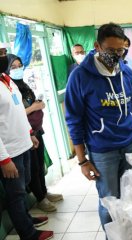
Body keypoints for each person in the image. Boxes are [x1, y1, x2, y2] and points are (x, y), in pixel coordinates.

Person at [65, 23, 132, 231]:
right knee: (109, 203)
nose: (116, 55)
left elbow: (131, 104)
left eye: (121, 50)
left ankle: (129, 235)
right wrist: (82, 160)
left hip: (129, 146)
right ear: (97, 46)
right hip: (102, 150)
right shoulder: (80, 76)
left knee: (130, 198)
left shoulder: (124, 71)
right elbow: (73, 119)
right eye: (110, 50)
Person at [0, 43, 54, 240]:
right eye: (0, 54)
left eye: (4, 53)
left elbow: (17, 113)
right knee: (15, 195)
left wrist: (30, 133)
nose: (3, 57)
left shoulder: (7, 80)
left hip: (23, 144)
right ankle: (28, 234)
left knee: (22, 189)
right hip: (9, 152)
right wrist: (4, 160)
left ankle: (26, 219)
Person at [7, 55, 63, 212]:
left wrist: (38, 104)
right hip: (23, 135)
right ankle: (40, 198)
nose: (18, 69)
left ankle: (44, 192)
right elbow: (14, 114)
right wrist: (33, 108)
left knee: (39, 165)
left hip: (36, 131)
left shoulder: (23, 85)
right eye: (13, 67)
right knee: (31, 169)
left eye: (20, 65)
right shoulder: (8, 88)